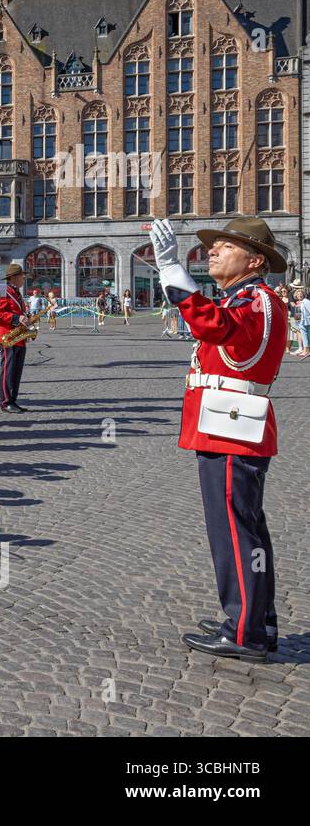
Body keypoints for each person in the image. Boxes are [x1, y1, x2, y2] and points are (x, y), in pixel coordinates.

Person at [150, 217, 288, 663]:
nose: (211, 251)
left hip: (231, 427)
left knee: (234, 531)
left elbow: (217, 327)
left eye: (223, 246)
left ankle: (245, 629)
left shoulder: (256, 299)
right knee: (243, 527)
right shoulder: (244, 297)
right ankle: (255, 621)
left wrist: (173, 271)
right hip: (226, 424)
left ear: (254, 260)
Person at [0, 263, 32, 413]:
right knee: (8, 370)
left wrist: (26, 320)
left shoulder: (17, 292)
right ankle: (6, 401)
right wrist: (17, 318)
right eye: (22, 275)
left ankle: (13, 399)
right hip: (8, 336)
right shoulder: (2, 291)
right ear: (14, 277)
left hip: (19, 337)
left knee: (16, 370)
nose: (24, 278)